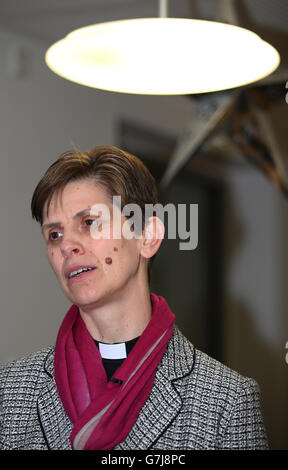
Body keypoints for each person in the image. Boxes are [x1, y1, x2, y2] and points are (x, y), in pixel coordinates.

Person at [0, 145, 268, 450]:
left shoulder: (226, 401)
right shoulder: (10, 391)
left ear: (147, 237)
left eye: (88, 223)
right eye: (55, 234)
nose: (67, 245)